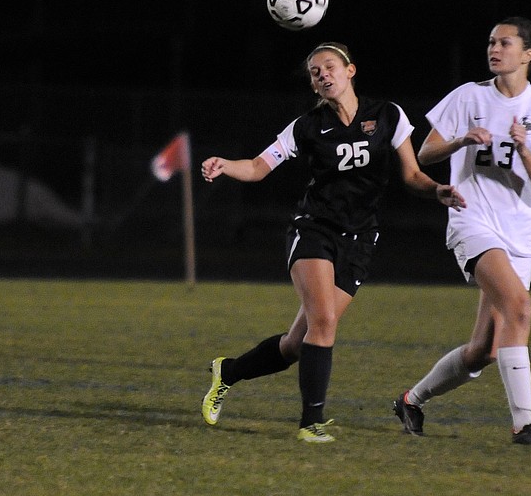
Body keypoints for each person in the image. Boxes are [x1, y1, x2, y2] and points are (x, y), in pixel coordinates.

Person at [200, 42, 466, 443]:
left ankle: (229, 371)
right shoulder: (306, 126)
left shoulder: (388, 115)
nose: (322, 74)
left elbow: (412, 175)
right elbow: (257, 167)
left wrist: (437, 191)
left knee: (295, 345)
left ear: (350, 71)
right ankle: (311, 423)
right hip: (314, 230)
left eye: (329, 67)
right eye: (314, 72)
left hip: (360, 240)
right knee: (323, 324)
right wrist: (225, 166)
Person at [392, 16, 531, 446]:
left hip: (522, 233)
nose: (494, 49)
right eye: (491, 42)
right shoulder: (467, 96)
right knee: (520, 308)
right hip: (472, 220)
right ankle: (524, 423)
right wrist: (462, 141)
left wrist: (523, 148)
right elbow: (425, 152)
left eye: (505, 43)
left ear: (527, 55)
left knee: (485, 352)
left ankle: (411, 400)